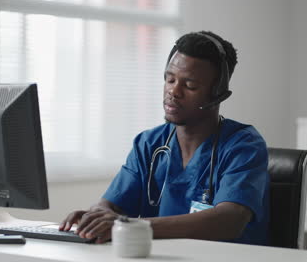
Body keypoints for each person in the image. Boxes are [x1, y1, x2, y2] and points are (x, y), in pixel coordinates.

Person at [59, 31, 269, 245]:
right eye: (170, 79)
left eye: (190, 86)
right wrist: (96, 217)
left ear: (218, 93)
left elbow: (229, 220)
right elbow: (112, 205)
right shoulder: (149, 144)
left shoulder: (243, 145)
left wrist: (129, 226)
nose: (173, 91)